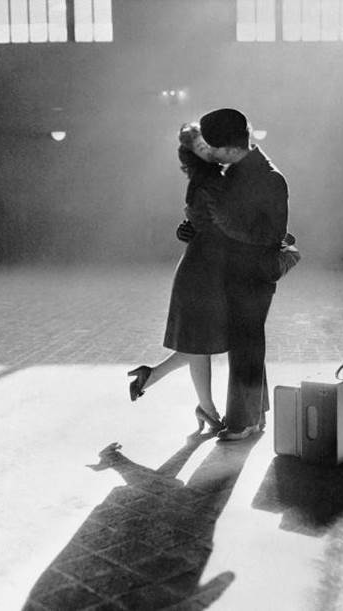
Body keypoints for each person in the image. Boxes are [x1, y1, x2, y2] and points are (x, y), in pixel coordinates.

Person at [193, 108, 289, 441]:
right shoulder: (235, 172)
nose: (211, 153)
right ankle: (255, 414)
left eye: (214, 148)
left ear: (232, 148)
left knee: (245, 344)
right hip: (237, 271)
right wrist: (194, 229)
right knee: (248, 342)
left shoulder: (270, 178)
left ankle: (243, 421)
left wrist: (222, 221)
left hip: (255, 274)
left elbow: (272, 235)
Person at [127, 123, 229, 433]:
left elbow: (201, 224)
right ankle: (208, 410)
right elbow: (213, 225)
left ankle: (150, 376)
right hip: (201, 271)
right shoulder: (207, 181)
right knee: (199, 343)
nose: (206, 150)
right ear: (193, 154)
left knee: (199, 343)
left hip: (206, 267)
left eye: (207, 143)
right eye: (199, 148)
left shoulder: (211, 178)